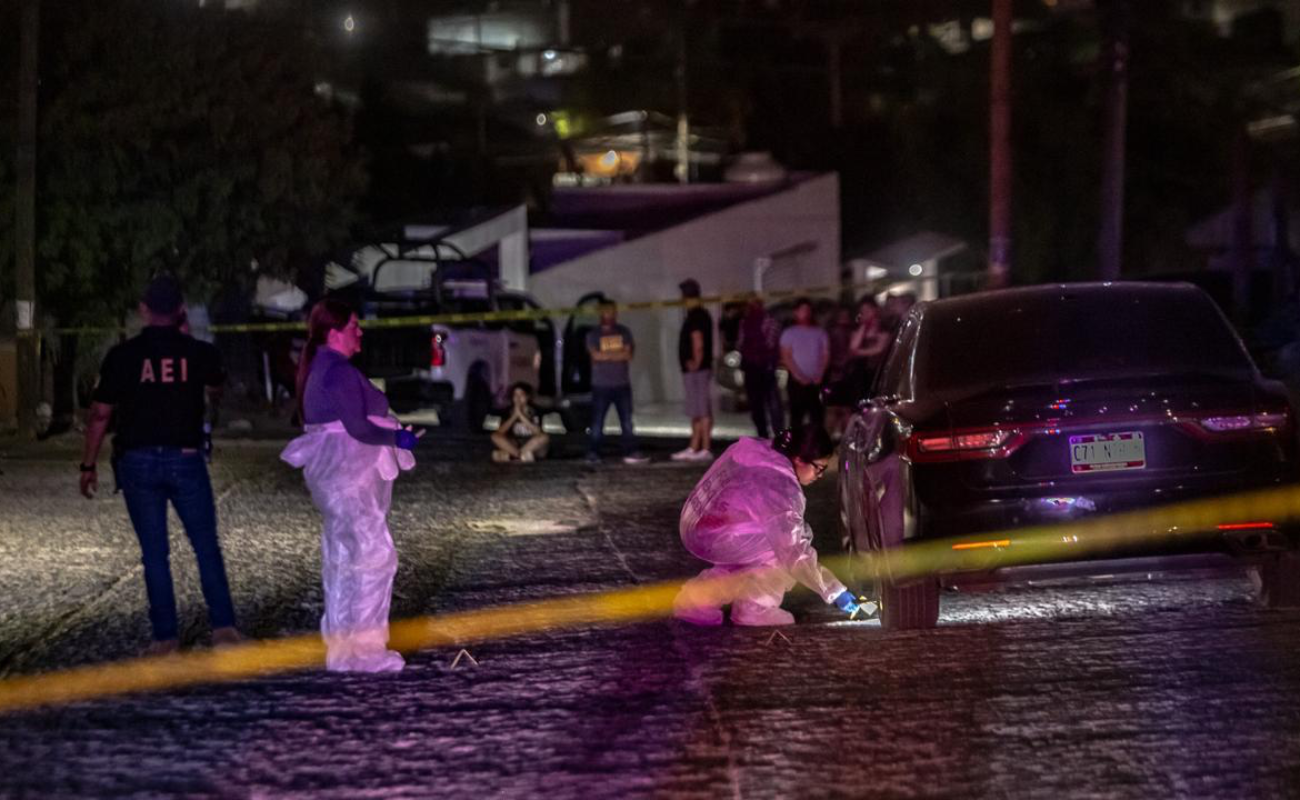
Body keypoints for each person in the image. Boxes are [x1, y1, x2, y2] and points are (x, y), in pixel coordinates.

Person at [79, 274, 242, 655]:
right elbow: (216, 387)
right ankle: (223, 631)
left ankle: (165, 637)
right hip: (186, 459)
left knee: (154, 554)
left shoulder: (122, 356)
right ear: (181, 309)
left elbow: (100, 414)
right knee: (205, 546)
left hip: (137, 461)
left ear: (143, 310)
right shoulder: (200, 353)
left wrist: (88, 464)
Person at [281, 299, 422, 673]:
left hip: (338, 473)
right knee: (372, 557)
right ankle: (365, 652)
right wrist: (399, 440)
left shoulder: (323, 368)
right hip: (349, 474)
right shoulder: (337, 371)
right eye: (354, 326)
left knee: (344, 558)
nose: (360, 332)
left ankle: (344, 652)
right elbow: (358, 427)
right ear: (334, 332)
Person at [672, 425, 863, 626]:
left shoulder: (756, 451)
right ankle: (755, 608)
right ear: (799, 459)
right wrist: (835, 591)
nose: (821, 475)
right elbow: (794, 553)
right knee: (786, 543)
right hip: (721, 534)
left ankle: (695, 602)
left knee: (754, 550)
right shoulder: (780, 487)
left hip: (699, 525)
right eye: (820, 468)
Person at [585, 302, 649, 464]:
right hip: (601, 385)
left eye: (613, 312)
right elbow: (595, 356)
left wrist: (605, 355)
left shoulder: (624, 331)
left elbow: (627, 356)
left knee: (627, 422)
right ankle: (593, 452)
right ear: (601, 313)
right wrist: (616, 354)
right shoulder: (594, 334)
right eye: (607, 312)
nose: (610, 315)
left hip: (621, 384)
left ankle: (630, 451)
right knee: (597, 422)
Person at [672, 278, 715, 462]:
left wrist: (696, 362)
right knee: (697, 409)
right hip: (696, 369)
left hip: (697, 370)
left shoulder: (696, 316)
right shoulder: (698, 314)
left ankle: (704, 448)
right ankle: (694, 446)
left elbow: (698, 341)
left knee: (702, 409)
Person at [736, 295, 784, 438]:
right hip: (764, 367)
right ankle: (775, 435)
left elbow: (740, 344)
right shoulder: (767, 321)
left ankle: (765, 435)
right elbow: (772, 343)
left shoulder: (748, 322)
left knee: (761, 405)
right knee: (770, 404)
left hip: (758, 367)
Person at [779, 298, 830, 431]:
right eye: (802, 310)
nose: (805, 313)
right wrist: (797, 376)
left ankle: (817, 446)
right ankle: (794, 445)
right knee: (796, 416)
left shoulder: (820, 332)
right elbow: (786, 356)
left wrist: (820, 374)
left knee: (817, 416)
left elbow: (825, 354)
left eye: (807, 310)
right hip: (797, 382)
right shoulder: (789, 333)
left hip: (816, 381)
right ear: (796, 312)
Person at [845, 297, 892, 403]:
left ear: (875, 310)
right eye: (862, 311)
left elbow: (879, 349)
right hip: (861, 373)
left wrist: (858, 352)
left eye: (868, 309)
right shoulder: (858, 329)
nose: (865, 313)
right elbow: (853, 347)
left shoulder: (883, 327)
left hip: (878, 372)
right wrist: (864, 325)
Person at [492, 382, 549, 463]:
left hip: (532, 444)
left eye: (521, 394)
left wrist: (521, 416)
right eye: (515, 395)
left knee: (544, 437)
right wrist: (514, 416)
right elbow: (500, 432)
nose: (518, 398)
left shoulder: (536, 411)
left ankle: (511, 457)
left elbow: (538, 432)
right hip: (513, 445)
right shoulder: (507, 411)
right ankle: (520, 456)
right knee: (495, 436)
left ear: (527, 396)